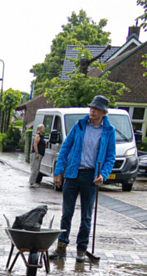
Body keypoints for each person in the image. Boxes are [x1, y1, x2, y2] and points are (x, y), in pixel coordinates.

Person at [51, 95, 117, 263]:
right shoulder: (80, 125)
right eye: (91, 108)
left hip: (91, 176)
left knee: (86, 216)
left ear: (103, 112)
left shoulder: (109, 131)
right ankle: (62, 246)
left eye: (95, 109)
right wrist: (58, 171)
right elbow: (66, 147)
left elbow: (110, 157)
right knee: (67, 213)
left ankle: (82, 249)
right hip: (73, 173)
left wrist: (104, 174)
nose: (92, 111)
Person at [29, 123, 46, 188]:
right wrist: (37, 153)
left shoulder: (41, 136)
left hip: (40, 154)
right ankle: (32, 182)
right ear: (40, 129)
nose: (44, 129)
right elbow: (35, 144)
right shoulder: (37, 136)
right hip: (36, 154)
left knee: (37, 168)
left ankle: (33, 181)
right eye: (43, 128)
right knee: (35, 169)